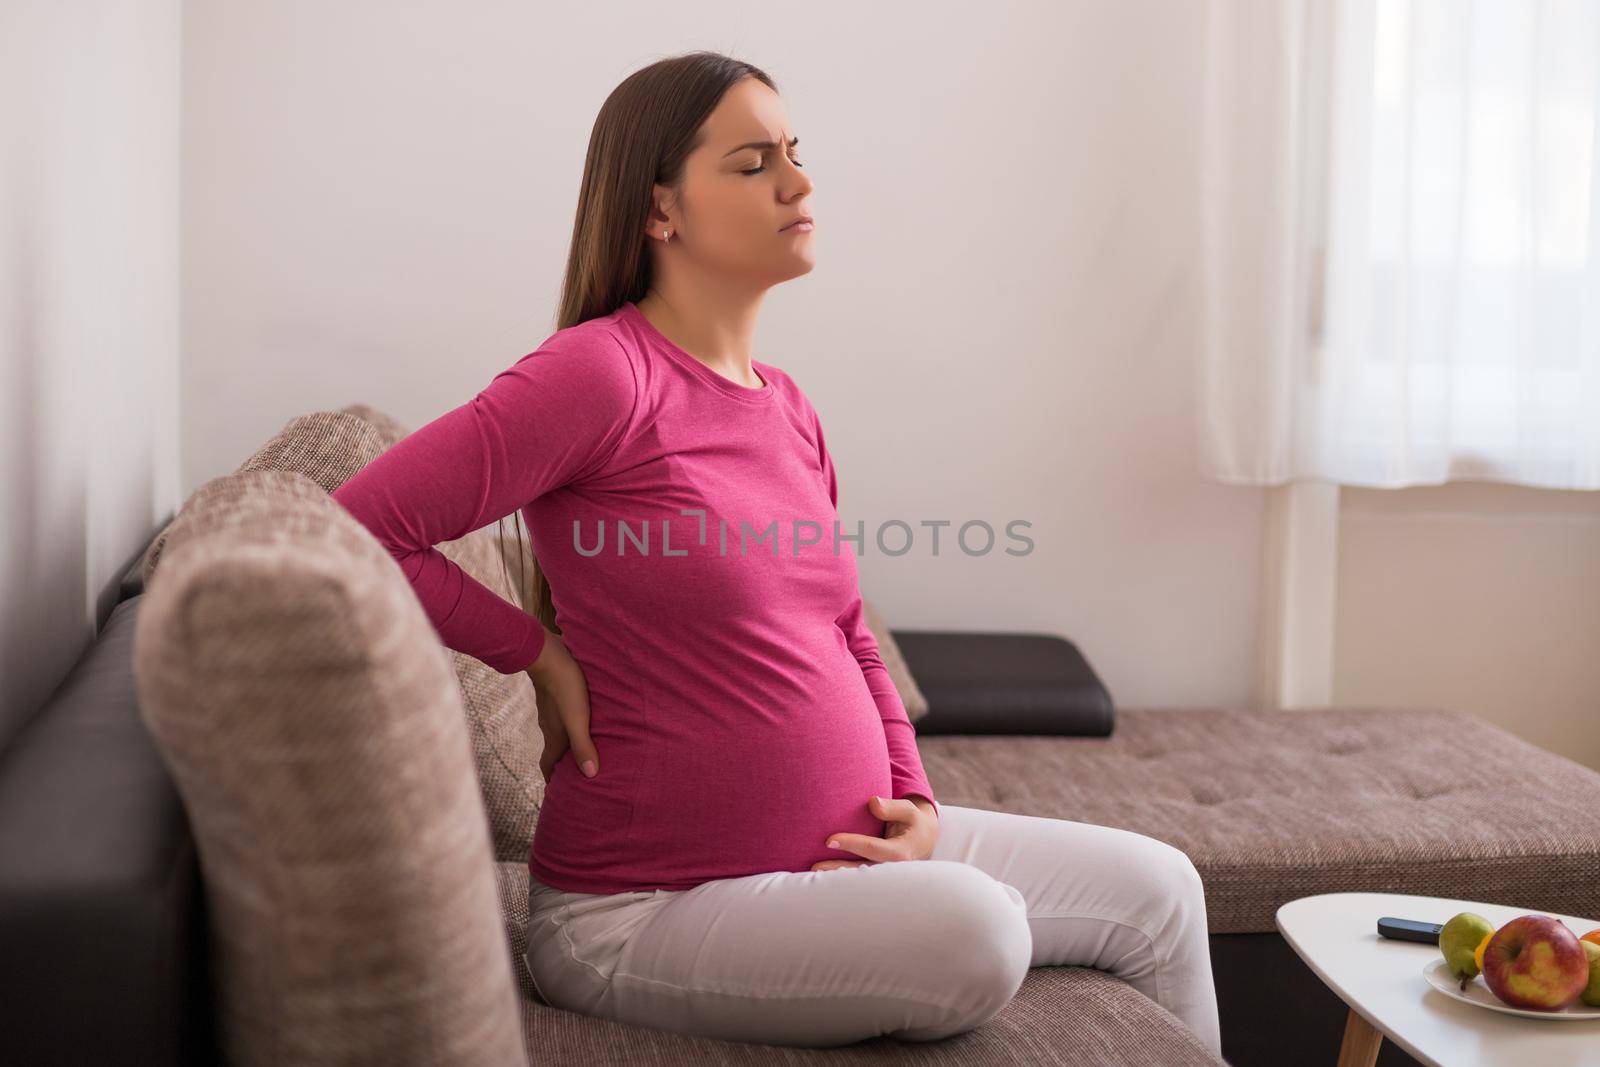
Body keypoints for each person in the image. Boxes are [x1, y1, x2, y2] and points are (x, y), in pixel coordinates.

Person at [330, 49, 1222, 1054]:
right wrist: (533, 652)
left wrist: (914, 803)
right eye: (753, 163)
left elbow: (848, 631)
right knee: (978, 926)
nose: (799, 182)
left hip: (838, 849)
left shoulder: (785, 404)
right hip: (643, 908)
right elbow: (360, 524)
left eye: (795, 153)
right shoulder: (600, 374)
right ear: (660, 209)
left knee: (1161, 888)